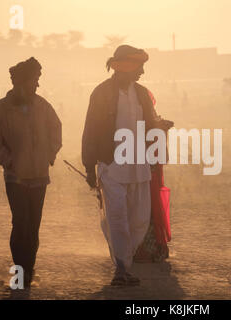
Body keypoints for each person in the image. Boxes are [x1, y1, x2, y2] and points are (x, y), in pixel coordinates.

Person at [82, 45, 173, 286]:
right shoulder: (101, 93)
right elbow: (90, 130)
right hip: (111, 165)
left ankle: (125, 262)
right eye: (139, 66)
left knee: (139, 219)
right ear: (126, 66)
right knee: (117, 218)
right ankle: (122, 269)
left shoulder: (142, 93)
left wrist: (160, 127)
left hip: (138, 165)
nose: (142, 71)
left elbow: (150, 124)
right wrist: (89, 166)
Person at [0, 57, 62, 287]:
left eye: (37, 80)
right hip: (15, 178)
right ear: (20, 82)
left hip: (39, 177)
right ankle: (21, 272)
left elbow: (56, 131)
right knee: (20, 224)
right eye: (33, 80)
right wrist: (10, 162)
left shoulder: (43, 106)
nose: (37, 85)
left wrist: (48, 155)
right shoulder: (0, 109)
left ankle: (28, 270)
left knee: (33, 225)